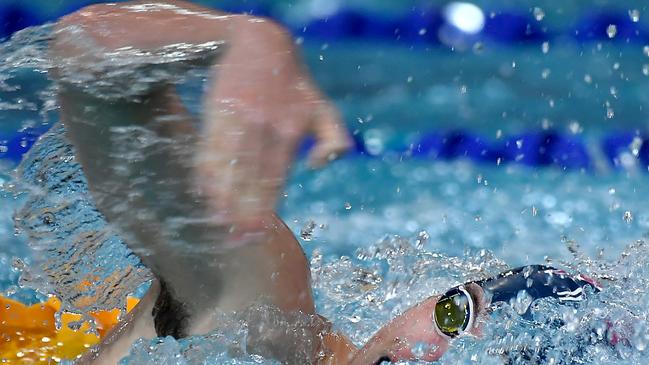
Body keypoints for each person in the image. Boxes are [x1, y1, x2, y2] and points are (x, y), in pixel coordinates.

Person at [30, 1, 603, 364]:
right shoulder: (261, 313)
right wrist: (244, 39)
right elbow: (85, 60)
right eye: (457, 314)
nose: (431, 353)